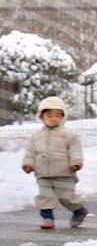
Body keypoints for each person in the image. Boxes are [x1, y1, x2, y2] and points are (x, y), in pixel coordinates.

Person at [22, 96, 88, 230]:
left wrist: (76, 163)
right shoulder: (36, 136)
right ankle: (47, 218)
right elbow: (30, 152)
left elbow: (75, 151)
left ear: (63, 117)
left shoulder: (69, 135)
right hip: (42, 173)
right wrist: (28, 164)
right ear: (42, 117)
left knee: (67, 198)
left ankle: (79, 211)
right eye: (49, 115)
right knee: (45, 196)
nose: (53, 118)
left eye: (57, 115)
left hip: (64, 172)